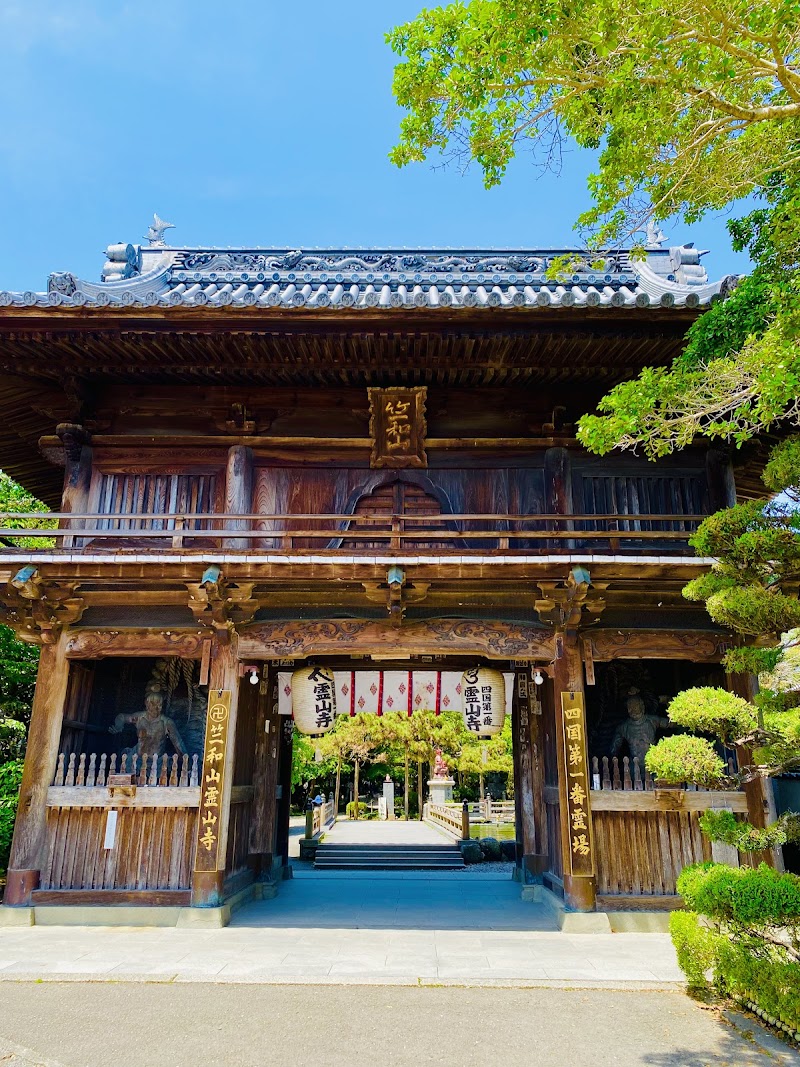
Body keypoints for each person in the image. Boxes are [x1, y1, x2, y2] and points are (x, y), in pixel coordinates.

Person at [109, 685, 187, 761]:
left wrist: (185, 762)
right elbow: (122, 717)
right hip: (138, 760)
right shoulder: (139, 718)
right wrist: (118, 726)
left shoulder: (166, 723)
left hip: (157, 763)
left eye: (159, 704)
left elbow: (178, 743)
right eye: (153, 704)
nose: (156, 708)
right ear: (146, 703)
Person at [610, 687, 669, 765]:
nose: (631, 710)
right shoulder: (624, 727)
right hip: (634, 766)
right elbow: (613, 750)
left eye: (635, 706)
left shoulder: (652, 720)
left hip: (653, 764)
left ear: (642, 706)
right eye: (629, 707)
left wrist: (669, 702)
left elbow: (672, 723)